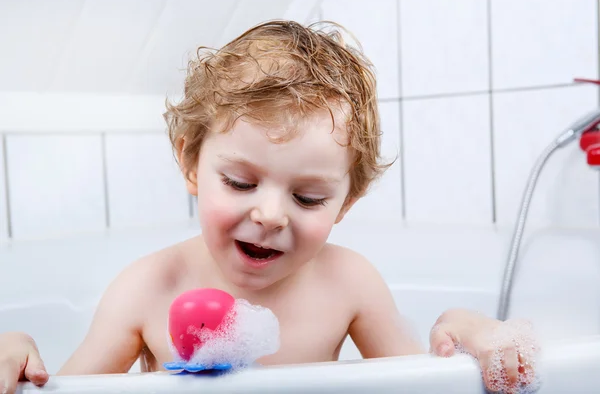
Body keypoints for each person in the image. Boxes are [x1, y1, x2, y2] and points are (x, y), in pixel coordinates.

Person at [0, 20, 537, 394]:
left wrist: (461, 334)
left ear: (345, 201)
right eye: (238, 182)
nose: (271, 215)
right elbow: (68, 389)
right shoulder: (146, 289)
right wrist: (21, 356)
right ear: (191, 163)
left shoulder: (349, 283)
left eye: (308, 197)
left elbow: (415, 384)